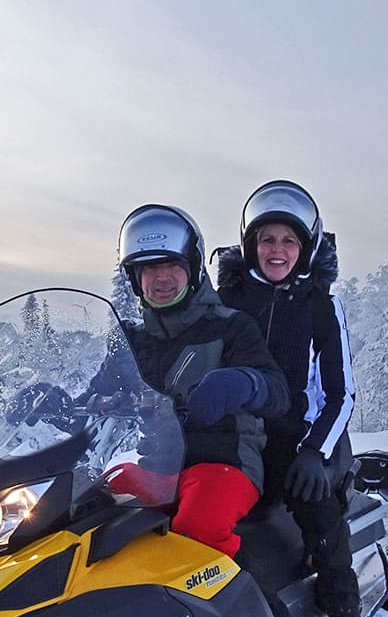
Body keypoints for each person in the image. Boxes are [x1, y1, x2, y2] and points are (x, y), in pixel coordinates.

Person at [215, 180, 363, 617]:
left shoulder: (320, 306)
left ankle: (342, 602)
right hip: (237, 439)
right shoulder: (229, 301)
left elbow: (342, 395)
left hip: (299, 439)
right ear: (251, 245)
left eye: (288, 240)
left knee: (314, 502)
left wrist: (315, 452)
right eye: (267, 239)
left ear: (305, 247)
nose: (277, 250)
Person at [108, 203, 290, 558]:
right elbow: (99, 395)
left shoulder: (231, 326)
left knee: (197, 527)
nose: (162, 278)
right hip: (159, 469)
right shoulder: (132, 341)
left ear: (192, 269)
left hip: (224, 463)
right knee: (91, 509)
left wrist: (242, 383)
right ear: (135, 279)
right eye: (149, 268)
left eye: (172, 265)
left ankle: (241, 608)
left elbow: (278, 391)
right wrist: (57, 402)